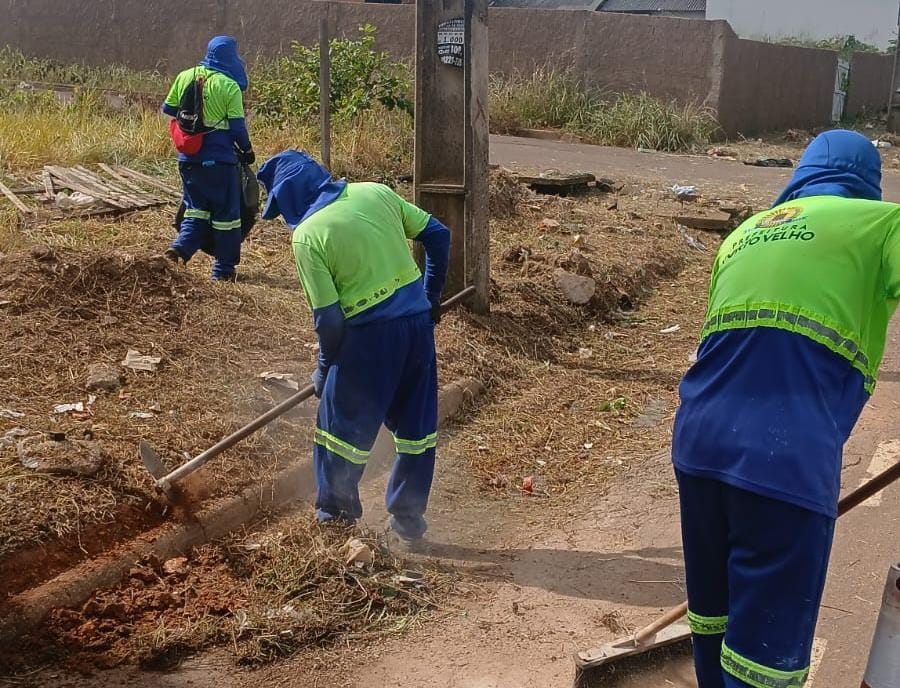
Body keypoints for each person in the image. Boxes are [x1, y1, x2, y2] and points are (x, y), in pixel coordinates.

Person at [672, 129, 900, 688]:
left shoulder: (743, 234)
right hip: (783, 458)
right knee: (763, 659)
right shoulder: (881, 225)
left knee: (713, 617)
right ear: (867, 184)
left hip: (698, 442)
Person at [256, 150, 451, 543]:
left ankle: (335, 522)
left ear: (289, 196)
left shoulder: (308, 236)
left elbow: (329, 320)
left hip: (368, 339)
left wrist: (324, 368)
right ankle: (409, 522)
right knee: (416, 428)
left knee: (338, 432)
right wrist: (430, 296)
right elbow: (438, 234)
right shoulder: (375, 192)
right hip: (416, 330)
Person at [162, 36, 255, 281]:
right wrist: (247, 150)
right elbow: (237, 128)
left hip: (189, 161)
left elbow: (168, 110)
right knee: (227, 217)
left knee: (196, 210)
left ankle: (180, 249)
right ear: (231, 56)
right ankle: (222, 271)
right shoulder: (229, 86)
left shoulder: (185, 76)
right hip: (220, 162)